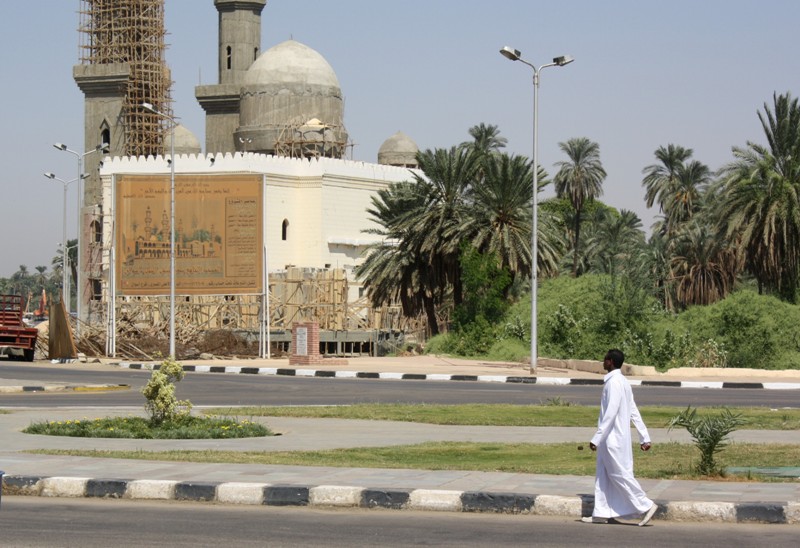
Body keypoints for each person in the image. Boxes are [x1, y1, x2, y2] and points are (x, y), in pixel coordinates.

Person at [582, 349, 658, 526]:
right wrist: (644, 437)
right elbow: (634, 411)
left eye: (605, 359)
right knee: (603, 475)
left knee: (619, 475)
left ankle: (646, 505)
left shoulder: (614, 383)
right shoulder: (622, 381)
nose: (603, 362)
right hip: (614, 438)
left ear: (610, 362)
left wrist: (596, 438)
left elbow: (611, 413)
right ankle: (601, 513)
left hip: (612, 439)